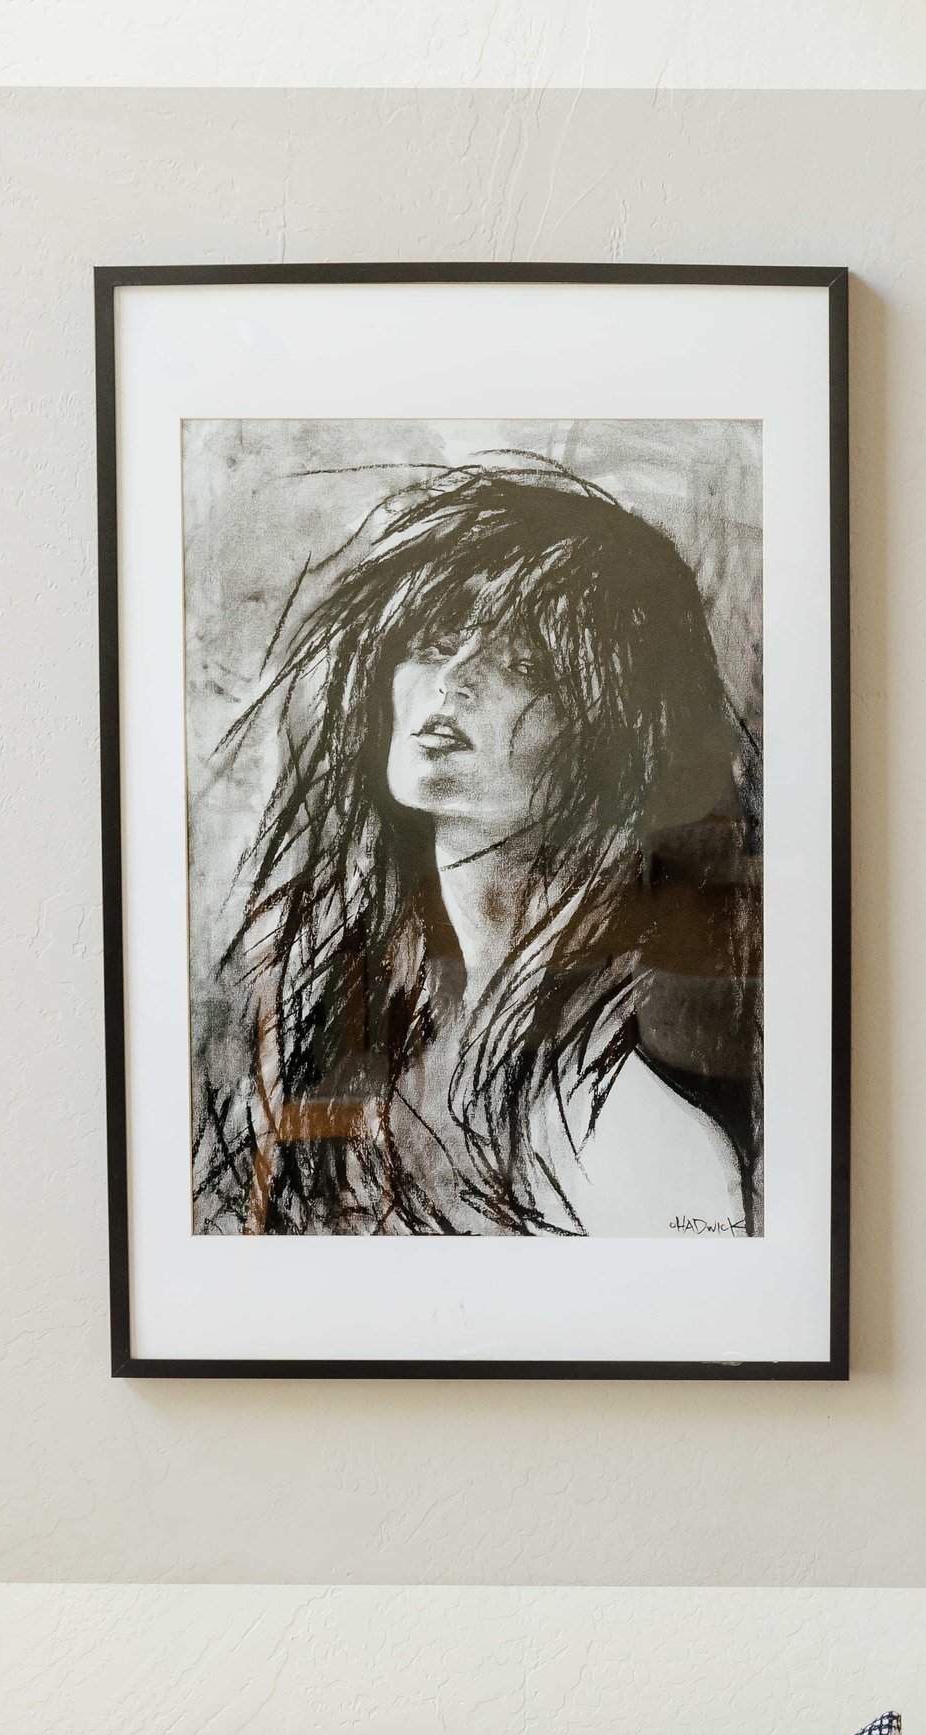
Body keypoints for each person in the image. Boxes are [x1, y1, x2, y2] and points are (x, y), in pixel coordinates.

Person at [195, 455, 759, 1238]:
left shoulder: (645, 1135)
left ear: (611, 733)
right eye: (432, 642)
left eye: (526, 664)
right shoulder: (327, 1019)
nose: (454, 681)